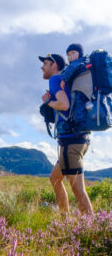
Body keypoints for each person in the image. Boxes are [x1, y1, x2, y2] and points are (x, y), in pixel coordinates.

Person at [39, 53, 93, 215]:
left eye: (46, 63)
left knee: (78, 191)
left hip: (71, 142)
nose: (42, 67)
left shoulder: (55, 80)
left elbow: (64, 104)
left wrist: (48, 102)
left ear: (54, 65)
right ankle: (65, 219)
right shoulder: (65, 81)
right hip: (75, 140)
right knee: (54, 179)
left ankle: (93, 230)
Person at [60, 43, 93, 133]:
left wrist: (63, 80)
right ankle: (76, 123)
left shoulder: (78, 62)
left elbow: (70, 69)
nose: (70, 56)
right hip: (83, 87)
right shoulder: (84, 61)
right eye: (68, 54)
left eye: (73, 52)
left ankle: (78, 125)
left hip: (83, 88)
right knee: (79, 105)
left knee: (79, 104)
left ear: (80, 53)